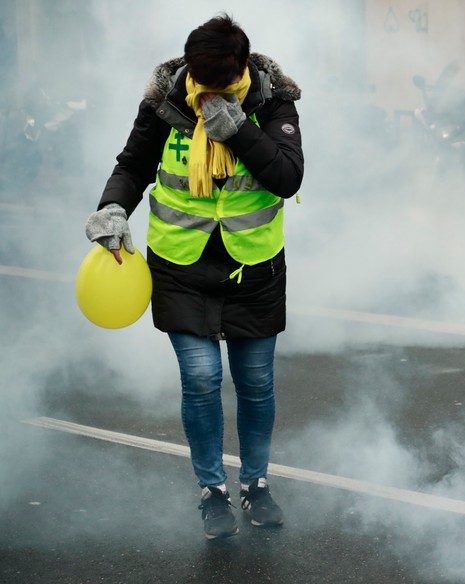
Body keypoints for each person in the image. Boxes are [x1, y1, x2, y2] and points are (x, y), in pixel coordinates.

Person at [84, 14, 303, 540]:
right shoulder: (167, 102)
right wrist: (113, 209)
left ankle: (256, 483)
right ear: (189, 69)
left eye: (219, 85)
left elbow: (287, 176)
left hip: (253, 266)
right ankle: (212, 491)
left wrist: (241, 131)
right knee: (201, 380)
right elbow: (132, 165)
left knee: (255, 383)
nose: (207, 94)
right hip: (180, 264)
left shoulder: (273, 101)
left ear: (242, 68)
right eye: (200, 82)